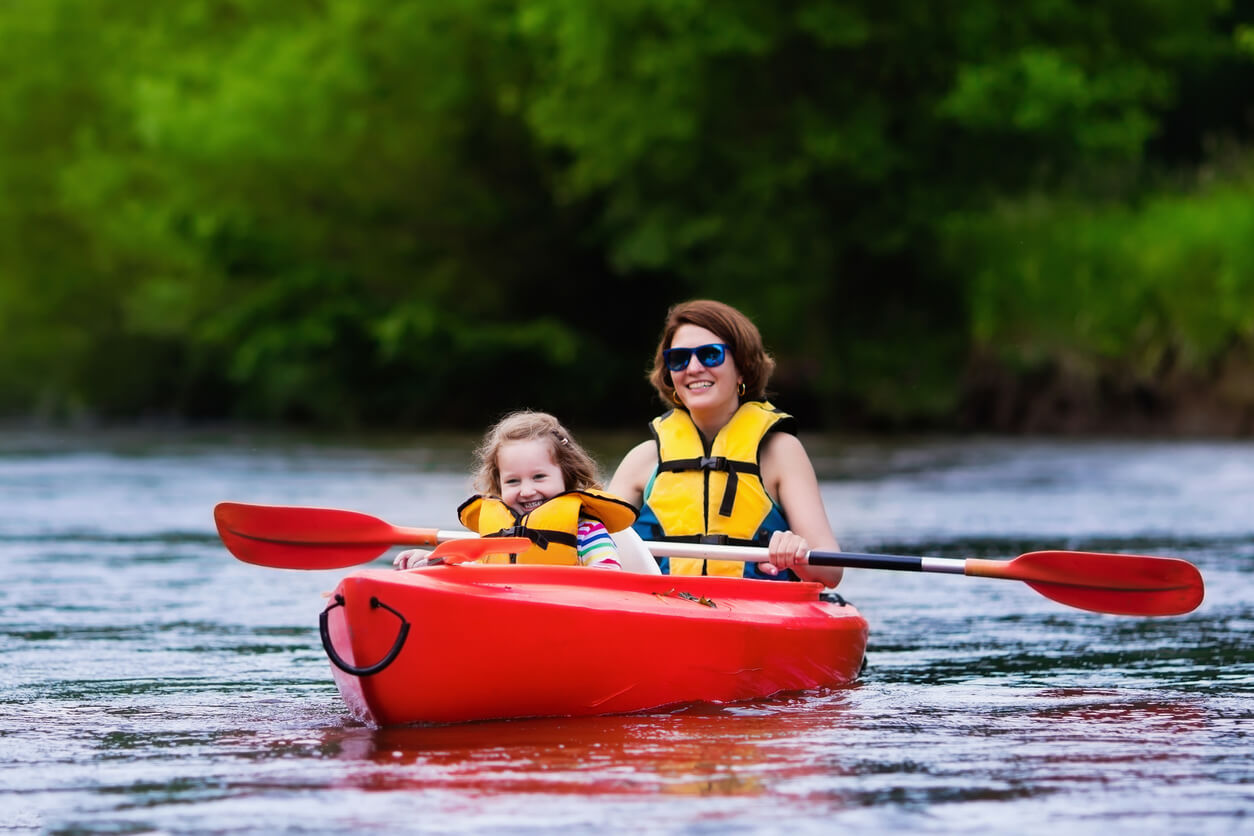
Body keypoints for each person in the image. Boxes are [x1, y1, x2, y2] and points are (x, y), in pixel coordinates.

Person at [607, 299, 844, 587]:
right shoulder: (642, 460)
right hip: (663, 604)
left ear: (742, 367)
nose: (694, 368)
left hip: (757, 606)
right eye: (679, 359)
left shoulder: (780, 452)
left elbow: (830, 572)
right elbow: (594, 547)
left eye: (710, 355)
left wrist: (796, 552)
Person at [394, 410, 639, 570]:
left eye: (539, 477)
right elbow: (469, 570)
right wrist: (432, 560)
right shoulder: (495, 534)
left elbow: (608, 577)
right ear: (498, 483)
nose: (527, 491)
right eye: (513, 481)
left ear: (567, 475)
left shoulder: (588, 532)